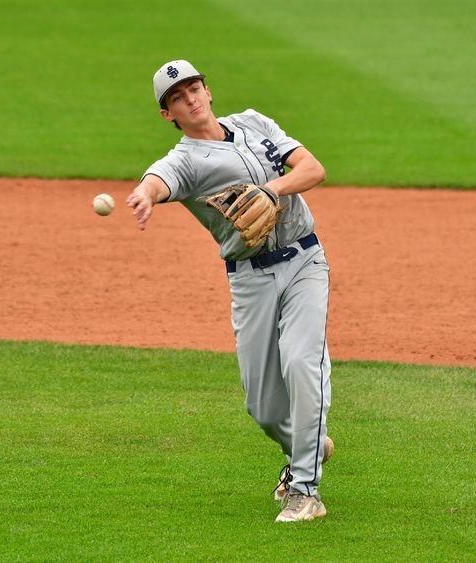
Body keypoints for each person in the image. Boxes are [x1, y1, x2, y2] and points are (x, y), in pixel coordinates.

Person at [126, 60, 333, 523]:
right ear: (168, 114)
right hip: (250, 277)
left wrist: (270, 190)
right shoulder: (184, 160)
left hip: (304, 260)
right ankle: (312, 443)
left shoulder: (254, 123)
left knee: (302, 362)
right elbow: (160, 178)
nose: (191, 99)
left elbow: (312, 169)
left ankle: (305, 488)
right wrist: (145, 194)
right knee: (261, 404)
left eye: (195, 88)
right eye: (178, 98)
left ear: (208, 90)